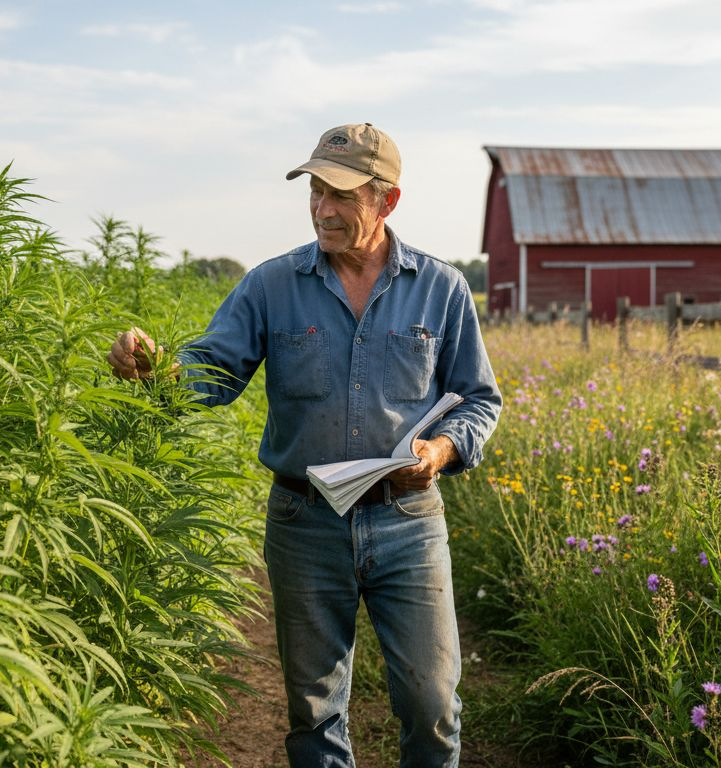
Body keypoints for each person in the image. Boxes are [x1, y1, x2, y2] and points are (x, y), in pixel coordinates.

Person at [107, 122, 501, 767]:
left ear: (387, 201)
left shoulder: (442, 287)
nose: (324, 208)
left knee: (432, 705)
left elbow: (479, 399)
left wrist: (441, 451)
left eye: (343, 195)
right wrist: (156, 371)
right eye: (317, 190)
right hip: (304, 523)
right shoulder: (271, 285)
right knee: (314, 714)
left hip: (407, 522)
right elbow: (214, 371)